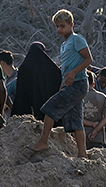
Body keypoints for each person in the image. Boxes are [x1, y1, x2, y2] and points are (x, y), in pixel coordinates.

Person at [31, 10, 94, 158]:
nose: (59, 29)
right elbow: (65, 67)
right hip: (70, 84)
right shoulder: (64, 44)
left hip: (78, 83)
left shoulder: (77, 39)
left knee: (49, 108)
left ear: (71, 25)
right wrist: (63, 82)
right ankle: (82, 153)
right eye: (57, 26)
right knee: (76, 121)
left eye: (62, 26)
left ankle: (43, 141)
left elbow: (88, 59)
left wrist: (73, 72)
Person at [9, 42, 60, 120]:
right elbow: (58, 77)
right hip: (45, 105)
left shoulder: (24, 67)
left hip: (28, 105)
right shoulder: (49, 67)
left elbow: (20, 89)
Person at [82, 71, 106, 148]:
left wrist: (91, 124)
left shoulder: (77, 97)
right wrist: (96, 130)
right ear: (93, 84)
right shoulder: (103, 97)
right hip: (98, 137)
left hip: (80, 136)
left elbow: (77, 118)